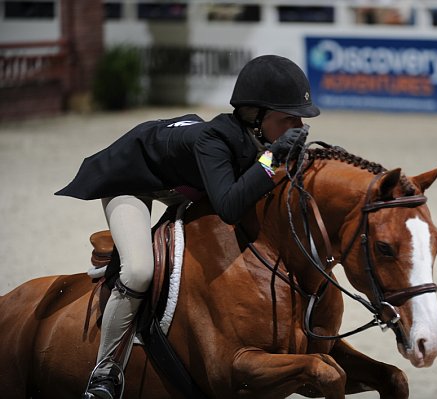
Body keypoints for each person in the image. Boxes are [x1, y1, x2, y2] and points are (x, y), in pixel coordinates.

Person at [56, 54, 320, 399]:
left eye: (299, 119)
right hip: (132, 180)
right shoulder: (215, 141)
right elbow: (228, 207)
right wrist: (271, 160)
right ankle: (104, 373)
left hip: (182, 184)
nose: (297, 127)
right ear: (256, 117)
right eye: (288, 119)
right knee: (138, 271)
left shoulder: (256, 138)